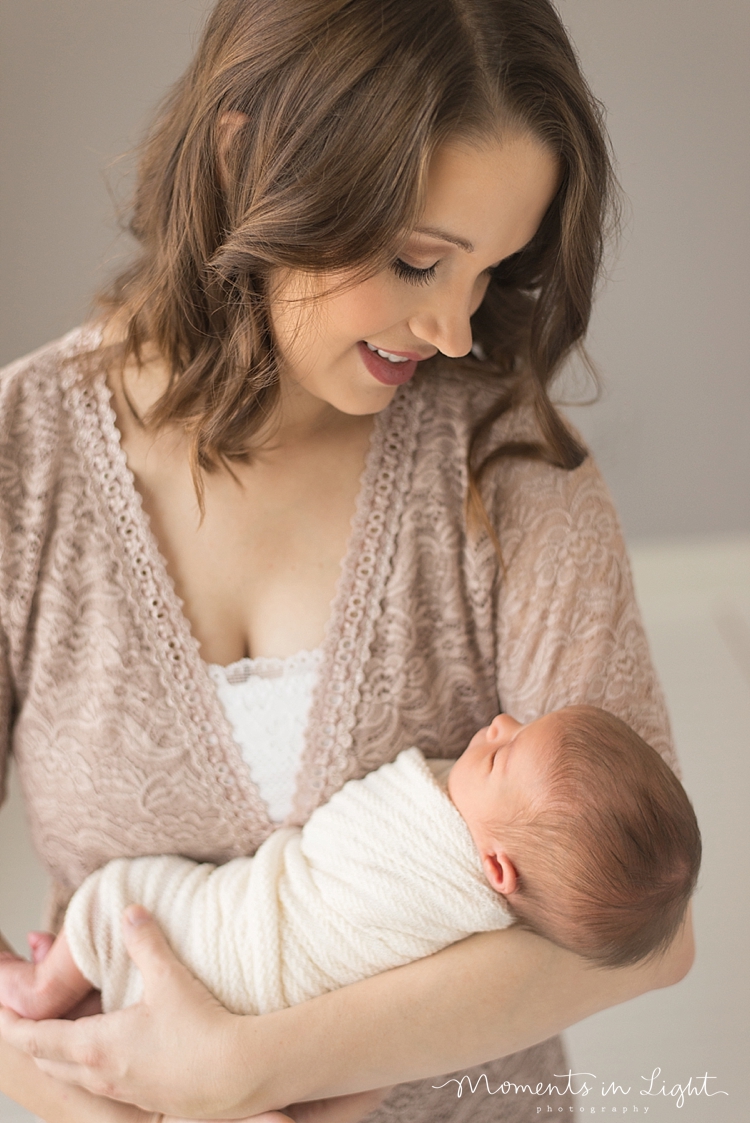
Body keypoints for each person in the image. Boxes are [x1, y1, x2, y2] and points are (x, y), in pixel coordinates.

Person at [0, 1, 694, 1121]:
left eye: (489, 272)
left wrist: (249, 1072)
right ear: (247, 159)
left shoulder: (508, 465)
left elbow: (649, 935)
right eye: (419, 260)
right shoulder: (21, 460)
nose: (459, 331)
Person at [0, 705, 700, 1025]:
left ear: (496, 871)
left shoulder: (429, 851)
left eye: (499, 755)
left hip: (255, 944)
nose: (497, 725)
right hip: (270, 991)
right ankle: (94, 995)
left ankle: (40, 989)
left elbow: (334, 844)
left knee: (122, 900)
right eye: (519, 725)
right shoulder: (500, 897)